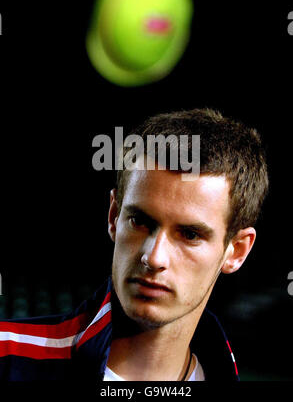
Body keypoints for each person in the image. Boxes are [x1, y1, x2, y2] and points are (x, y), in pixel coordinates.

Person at [0, 108, 269, 382]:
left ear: (236, 251)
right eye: (140, 221)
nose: (153, 257)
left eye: (189, 235)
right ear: (114, 216)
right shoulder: (6, 357)